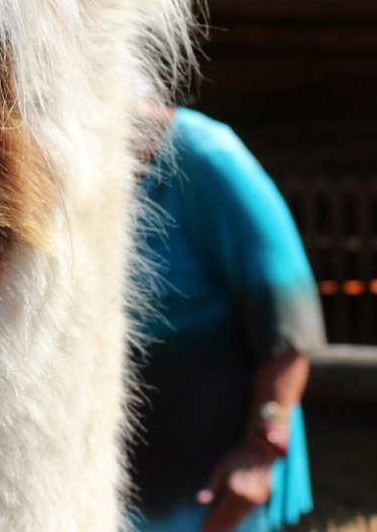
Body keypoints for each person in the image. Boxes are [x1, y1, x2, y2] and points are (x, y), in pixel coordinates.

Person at [131, 104, 326, 532]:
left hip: (212, 490)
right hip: (115, 479)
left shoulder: (204, 156)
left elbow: (290, 320)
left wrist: (260, 454)